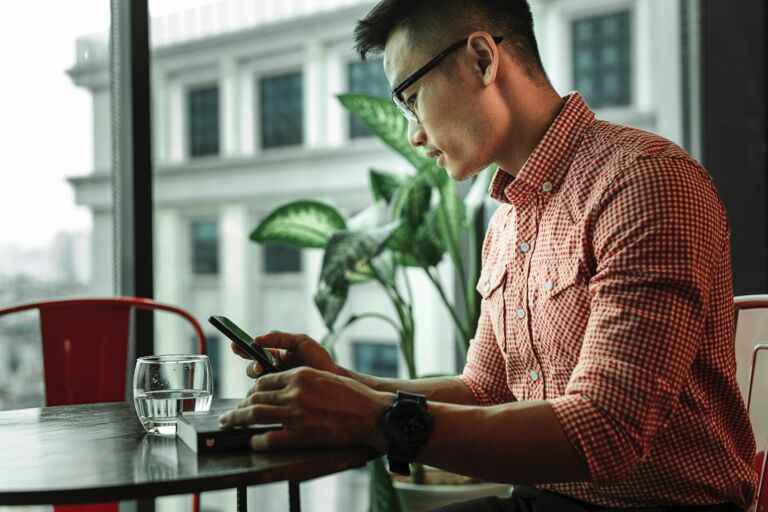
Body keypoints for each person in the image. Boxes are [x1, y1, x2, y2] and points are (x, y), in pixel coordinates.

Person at [218, 1, 757, 510]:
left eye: (409, 97)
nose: (412, 133)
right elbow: (484, 389)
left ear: (481, 59)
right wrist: (348, 385)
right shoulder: (506, 224)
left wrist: (372, 417)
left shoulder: (645, 182)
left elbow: (608, 429)